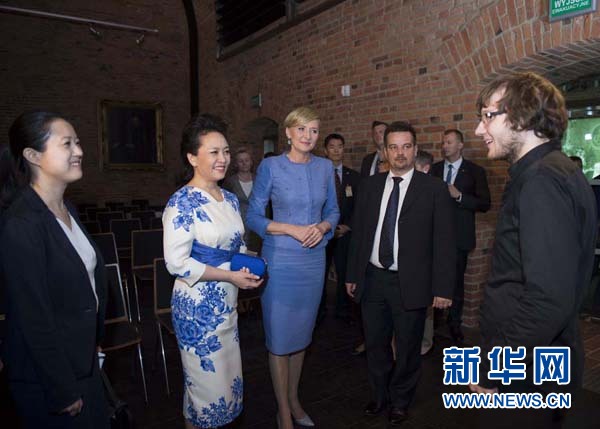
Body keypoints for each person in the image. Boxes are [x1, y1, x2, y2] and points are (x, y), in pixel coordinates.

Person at [470, 72, 596, 426]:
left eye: (487, 116)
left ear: (521, 117)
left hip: (525, 369)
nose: (479, 130)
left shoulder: (542, 181)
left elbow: (548, 299)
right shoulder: (552, 171)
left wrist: (494, 370)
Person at [0, 111, 109, 428]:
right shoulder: (21, 223)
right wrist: (62, 389)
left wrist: (92, 341)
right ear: (33, 156)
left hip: (82, 359)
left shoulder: (67, 208)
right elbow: (33, 316)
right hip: (49, 378)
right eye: (67, 144)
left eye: (78, 142)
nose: (79, 151)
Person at [346, 121, 455, 426]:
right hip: (373, 279)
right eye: (393, 147)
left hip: (411, 282)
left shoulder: (433, 189)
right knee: (375, 344)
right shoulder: (370, 186)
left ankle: (400, 401)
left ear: (415, 149)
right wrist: (353, 274)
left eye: (406, 146)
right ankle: (380, 395)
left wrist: (443, 288)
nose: (400, 153)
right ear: (385, 151)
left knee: (407, 348)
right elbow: (359, 234)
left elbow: (444, 243)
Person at [162, 114, 263, 428]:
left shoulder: (230, 199)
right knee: (205, 391)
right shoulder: (181, 203)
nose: (223, 159)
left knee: (226, 387)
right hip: (197, 310)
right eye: (214, 152)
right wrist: (230, 276)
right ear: (193, 157)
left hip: (227, 304)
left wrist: (253, 261)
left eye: (226, 151)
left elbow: (235, 246)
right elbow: (177, 262)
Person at [246, 106, 339, 429]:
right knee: (279, 339)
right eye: (301, 129)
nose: (308, 136)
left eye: (313, 130)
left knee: (301, 336)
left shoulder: (325, 167)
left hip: (313, 262)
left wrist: (323, 227)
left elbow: (334, 211)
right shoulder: (271, 166)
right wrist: (289, 228)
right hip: (281, 261)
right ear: (287, 132)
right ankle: (283, 411)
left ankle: (295, 400)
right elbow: (253, 217)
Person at [431, 129, 490, 343]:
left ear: (460, 145)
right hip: (434, 236)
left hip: (459, 238)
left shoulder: (475, 171)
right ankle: (433, 321)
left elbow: (484, 204)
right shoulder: (435, 169)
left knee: (456, 282)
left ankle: (454, 324)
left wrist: (459, 196)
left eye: (449, 142)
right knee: (433, 278)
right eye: (443, 142)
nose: (444, 146)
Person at [317, 133, 360, 324]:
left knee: (345, 272)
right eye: (332, 147)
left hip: (345, 234)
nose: (336, 150)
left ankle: (343, 310)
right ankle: (319, 309)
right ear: (325, 151)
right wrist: (327, 227)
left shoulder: (354, 177)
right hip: (323, 233)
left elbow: (360, 206)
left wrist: (348, 226)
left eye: (340, 146)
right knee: (321, 273)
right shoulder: (317, 175)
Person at [413, 149, 435, 356]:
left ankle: (425, 342)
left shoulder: (435, 192)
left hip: (427, 259)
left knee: (425, 305)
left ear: (425, 169)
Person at [223, 147, 261, 252]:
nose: (244, 163)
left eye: (247, 160)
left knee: (255, 253)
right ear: (236, 164)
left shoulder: (259, 180)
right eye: (241, 161)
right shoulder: (230, 182)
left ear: (251, 162)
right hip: (237, 225)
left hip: (256, 227)